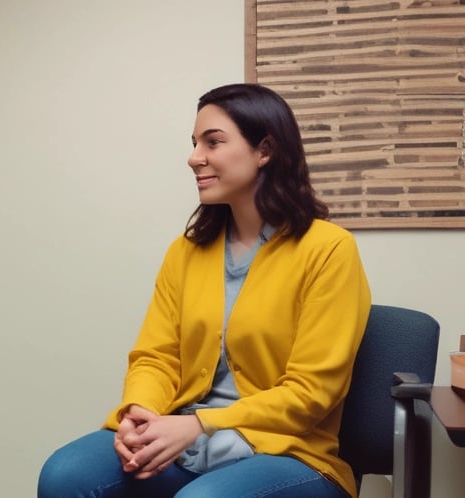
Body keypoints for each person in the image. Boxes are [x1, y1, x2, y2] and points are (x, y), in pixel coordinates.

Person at [37, 83, 371, 498]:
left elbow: (312, 393)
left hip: (288, 453)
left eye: (212, 142)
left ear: (264, 151)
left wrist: (199, 424)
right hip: (186, 441)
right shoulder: (186, 252)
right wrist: (140, 414)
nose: (194, 157)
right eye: (195, 143)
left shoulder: (329, 249)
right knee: (65, 474)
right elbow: (156, 357)